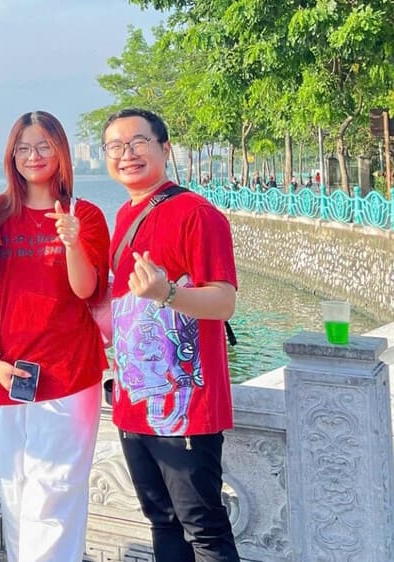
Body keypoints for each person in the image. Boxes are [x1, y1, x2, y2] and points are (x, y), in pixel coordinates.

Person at [101, 108, 240, 562]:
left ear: (165, 148)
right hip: (133, 404)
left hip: (186, 408)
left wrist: (168, 293)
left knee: (204, 530)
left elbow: (223, 302)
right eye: (115, 147)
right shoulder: (123, 215)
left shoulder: (197, 214)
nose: (127, 154)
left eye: (138, 142)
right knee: (162, 522)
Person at [0, 111, 110, 561]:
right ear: (12, 155)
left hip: (69, 374)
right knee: (13, 492)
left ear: (61, 152)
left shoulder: (84, 215)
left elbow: (86, 288)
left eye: (43, 146)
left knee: (55, 494)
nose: (33, 157)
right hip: (8, 374)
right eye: (23, 148)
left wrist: (72, 241)